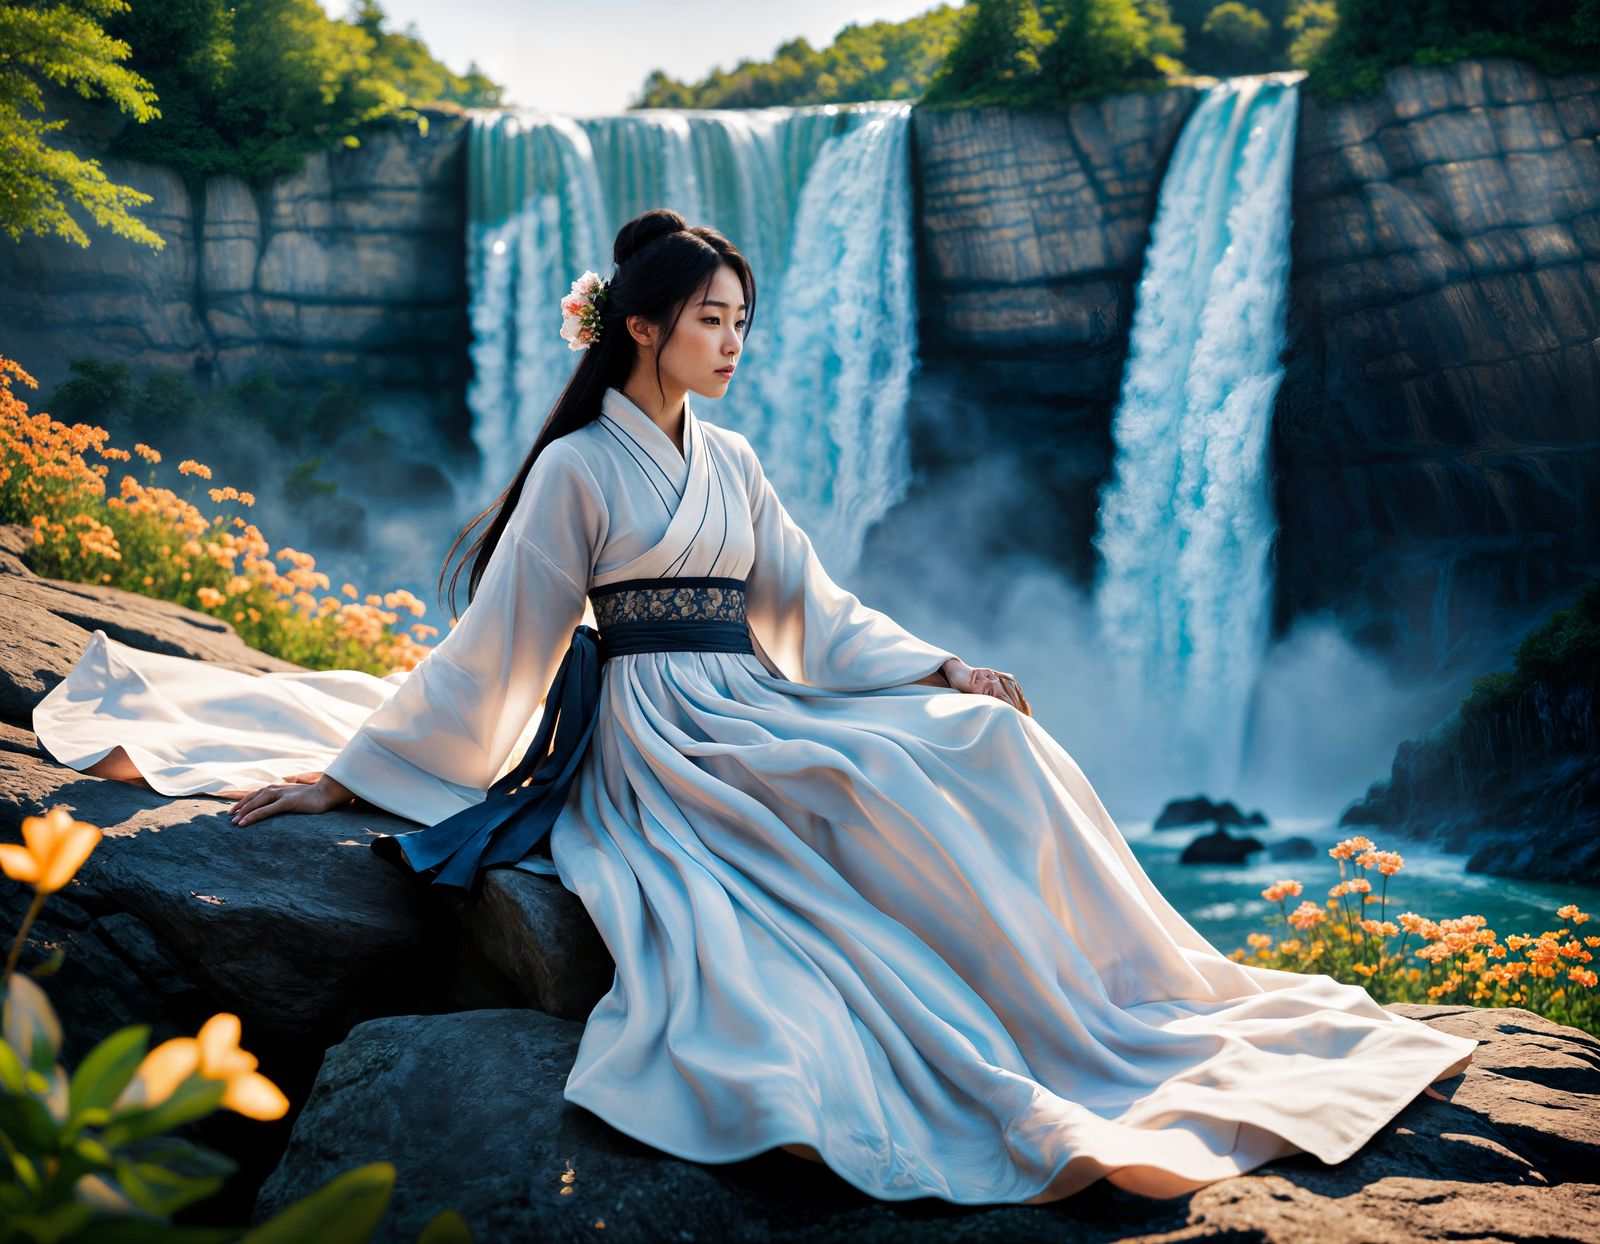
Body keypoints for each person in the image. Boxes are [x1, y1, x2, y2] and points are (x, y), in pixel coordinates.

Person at [33, 207, 1476, 1206]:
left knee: (975, 739)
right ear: (641, 328)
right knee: (854, 806)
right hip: (657, 737)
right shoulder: (581, 472)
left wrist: (939, 669)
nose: (735, 342)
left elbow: (813, 609)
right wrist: (354, 776)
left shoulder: (729, 463)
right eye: (713, 321)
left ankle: (1104, 1001)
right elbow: (499, 651)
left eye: (743, 322)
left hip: (753, 698)